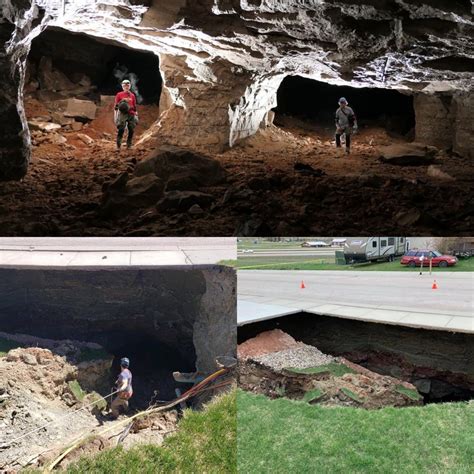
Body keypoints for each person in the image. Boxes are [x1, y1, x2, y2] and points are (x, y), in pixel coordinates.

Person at [114, 79, 138, 150]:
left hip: (131, 113)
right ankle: (118, 146)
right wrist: (123, 100)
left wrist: (136, 112)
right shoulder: (119, 94)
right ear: (122, 86)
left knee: (131, 130)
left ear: (130, 86)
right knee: (121, 129)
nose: (126, 87)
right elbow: (116, 105)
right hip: (123, 114)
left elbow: (134, 105)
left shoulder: (132, 95)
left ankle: (129, 145)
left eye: (128, 85)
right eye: (125, 86)